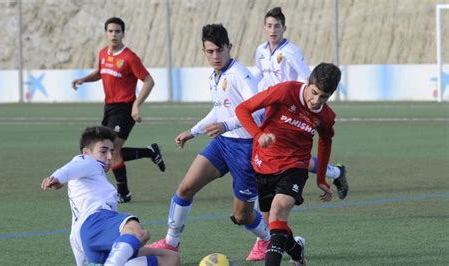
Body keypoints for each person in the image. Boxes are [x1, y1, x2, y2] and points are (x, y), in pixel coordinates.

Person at [145, 24, 271, 261]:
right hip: (222, 144)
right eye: (210, 51)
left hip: (245, 149)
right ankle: (171, 243)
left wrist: (227, 125)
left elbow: (258, 111)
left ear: (229, 47)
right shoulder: (215, 76)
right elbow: (217, 112)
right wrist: (193, 132)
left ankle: (268, 239)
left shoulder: (240, 75)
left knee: (242, 215)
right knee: (185, 188)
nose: (215, 56)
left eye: (219, 50)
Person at [236, 62, 342, 265]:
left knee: (278, 211)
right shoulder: (285, 91)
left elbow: (325, 142)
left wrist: (320, 178)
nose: (315, 100)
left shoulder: (326, 117)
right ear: (308, 82)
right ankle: (297, 253)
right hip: (264, 164)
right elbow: (243, 109)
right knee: (273, 223)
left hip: (295, 166)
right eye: (314, 92)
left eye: (323, 97)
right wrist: (258, 135)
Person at [41, 126, 179, 266]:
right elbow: (70, 168)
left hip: (87, 238)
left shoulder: (90, 178)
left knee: (170, 258)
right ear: (86, 152)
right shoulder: (88, 161)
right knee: (137, 232)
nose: (109, 156)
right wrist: (56, 178)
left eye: (112, 151)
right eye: (103, 151)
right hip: (96, 221)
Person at [253, 7, 348, 200]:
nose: (273, 30)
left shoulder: (291, 51)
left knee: (284, 155)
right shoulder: (261, 51)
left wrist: (314, 103)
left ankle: (258, 197)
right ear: (264, 28)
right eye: (269, 26)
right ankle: (336, 173)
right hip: (267, 106)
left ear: (284, 28)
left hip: (287, 108)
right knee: (272, 152)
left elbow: (308, 78)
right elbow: (259, 75)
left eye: (277, 26)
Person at [71, 17, 165, 203]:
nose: (114, 34)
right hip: (109, 108)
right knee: (109, 149)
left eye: (117, 31)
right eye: (110, 31)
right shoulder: (103, 53)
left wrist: (136, 105)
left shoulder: (129, 57)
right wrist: (83, 79)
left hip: (125, 109)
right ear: (105, 33)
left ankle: (124, 193)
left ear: (123, 33)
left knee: (111, 151)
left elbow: (149, 81)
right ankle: (150, 152)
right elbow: (100, 72)